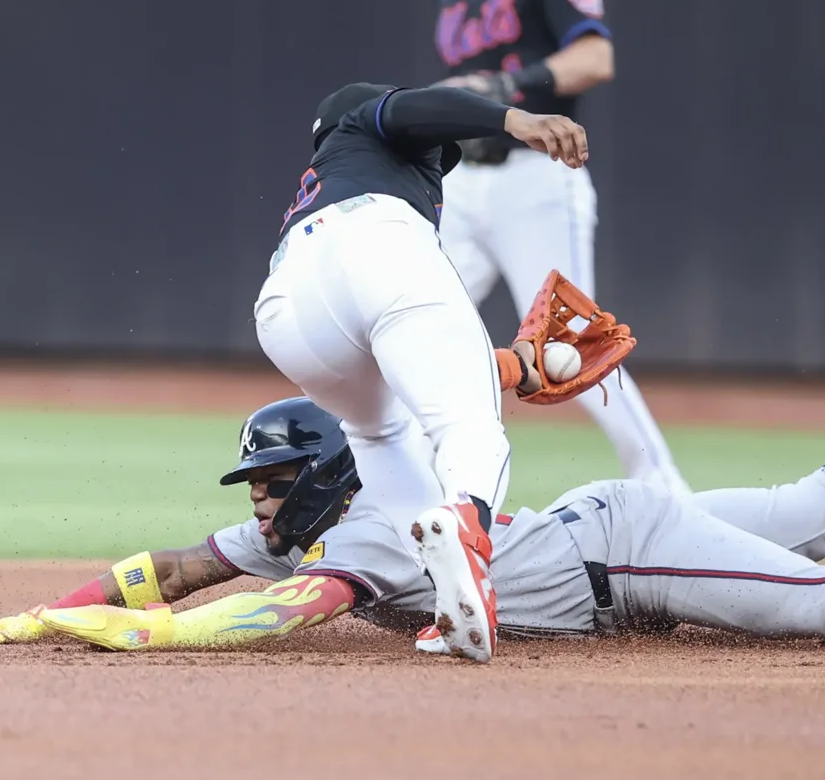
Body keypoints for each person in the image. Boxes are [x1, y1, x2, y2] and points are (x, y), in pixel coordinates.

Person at [0, 373, 825, 656]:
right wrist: (52, 610)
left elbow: (278, 615)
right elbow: (182, 567)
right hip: (594, 528)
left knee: (818, 598)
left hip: (627, 555)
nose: (256, 500)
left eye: (269, 481)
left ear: (320, 475)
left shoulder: (364, 530)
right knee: (811, 508)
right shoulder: (309, 523)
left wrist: (139, 638)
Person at [250, 81, 588, 662]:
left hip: (286, 307)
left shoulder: (323, 187)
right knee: (467, 425)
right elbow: (411, 107)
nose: (437, 160)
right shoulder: (361, 123)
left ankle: (450, 592)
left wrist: (513, 366)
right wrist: (516, 121)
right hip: (374, 240)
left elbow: (417, 369)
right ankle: (466, 522)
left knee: (378, 433)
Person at [428, 0, 691, 496]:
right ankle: (398, 488)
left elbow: (596, 57)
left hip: (537, 177)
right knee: (417, 322)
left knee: (572, 345)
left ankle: (668, 491)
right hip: (465, 181)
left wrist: (510, 85)